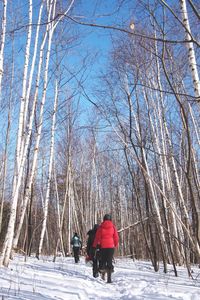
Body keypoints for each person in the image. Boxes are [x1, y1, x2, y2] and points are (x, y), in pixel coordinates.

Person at [93, 214, 119, 283]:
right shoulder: (113, 227)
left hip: (103, 247)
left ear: (104, 219)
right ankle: (109, 278)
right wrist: (115, 245)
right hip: (111, 247)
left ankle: (102, 270)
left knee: (103, 261)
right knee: (109, 260)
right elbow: (116, 237)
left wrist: (95, 246)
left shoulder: (101, 227)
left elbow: (97, 237)